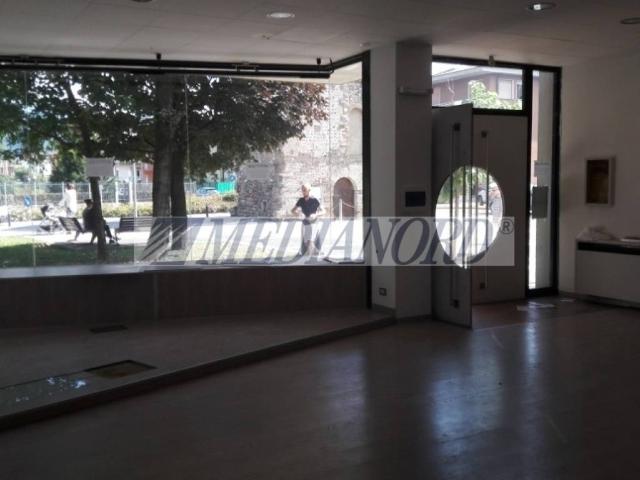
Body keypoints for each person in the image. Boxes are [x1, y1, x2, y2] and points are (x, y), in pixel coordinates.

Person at [291, 183, 325, 255]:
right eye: (302, 190)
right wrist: (299, 214)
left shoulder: (315, 200)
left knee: (312, 241)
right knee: (305, 244)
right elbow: (292, 211)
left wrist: (316, 214)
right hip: (305, 223)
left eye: (305, 190)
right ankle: (306, 252)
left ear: (309, 190)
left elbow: (324, 211)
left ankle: (316, 252)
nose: (303, 192)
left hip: (314, 223)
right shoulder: (301, 200)